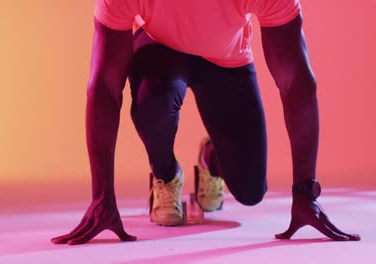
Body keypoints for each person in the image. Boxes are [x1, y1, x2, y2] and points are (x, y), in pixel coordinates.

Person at [51, 0, 361, 245]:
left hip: (227, 60)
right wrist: (102, 196)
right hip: (161, 50)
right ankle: (166, 175)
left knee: (252, 192)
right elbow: (104, 85)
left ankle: (212, 159)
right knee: (153, 103)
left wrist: (305, 193)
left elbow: (296, 81)